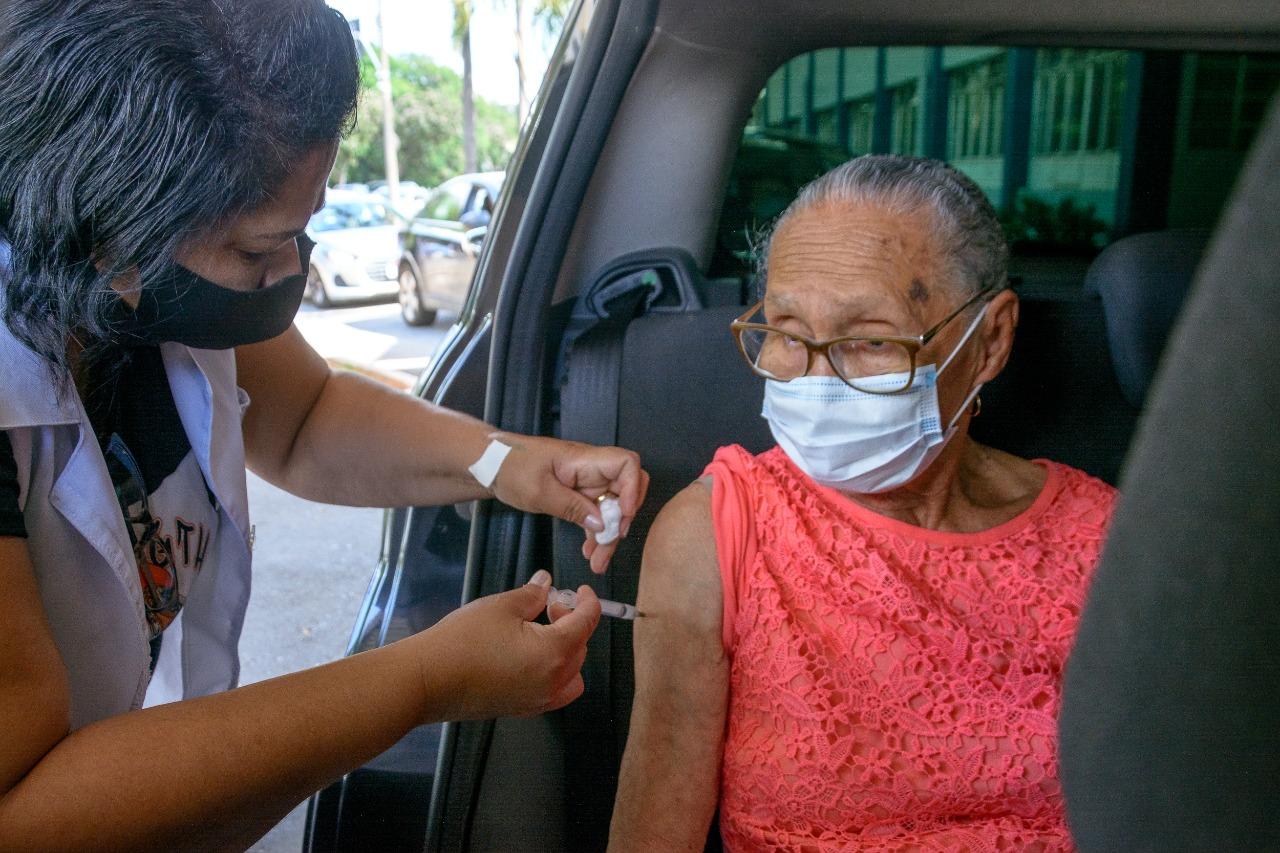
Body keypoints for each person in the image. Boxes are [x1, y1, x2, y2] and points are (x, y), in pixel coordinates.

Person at [0, 2, 646, 848]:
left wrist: (509, 462)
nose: (291, 273)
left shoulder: (141, 283)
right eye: (260, 251)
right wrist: (420, 681)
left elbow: (305, 419)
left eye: (306, 229)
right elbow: (23, 805)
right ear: (111, 218)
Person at [610, 155, 1116, 851]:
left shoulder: (1108, 541)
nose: (816, 381)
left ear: (990, 339)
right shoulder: (720, 532)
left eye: (871, 340)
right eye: (786, 333)